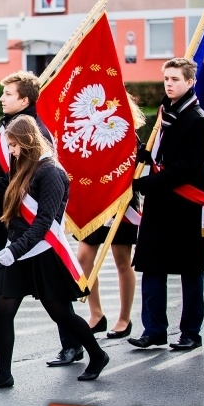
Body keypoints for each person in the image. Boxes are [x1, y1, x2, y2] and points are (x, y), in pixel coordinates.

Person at [0, 71, 83, 374]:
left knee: (53, 296)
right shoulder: (6, 127)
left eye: (8, 94)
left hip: (27, 230)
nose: (1, 98)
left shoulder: (36, 133)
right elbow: (1, 175)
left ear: (24, 99)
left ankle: (77, 344)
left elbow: (14, 183)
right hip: (5, 223)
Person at [0, 116, 110, 390]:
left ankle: (97, 354)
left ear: (27, 141)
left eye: (13, 146)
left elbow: (44, 223)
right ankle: (4, 374)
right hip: (18, 251)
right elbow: (3, 185)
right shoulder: (25, 166)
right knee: (3, 308)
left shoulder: (52, 173)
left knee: (61, 313)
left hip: (43, 252)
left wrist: (14, 250)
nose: (10, 151)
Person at [129, 58, 204, 351]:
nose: (169, 83)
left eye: (175, 79)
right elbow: (159, 154)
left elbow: (184, 170)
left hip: (185, 205)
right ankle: (154, 329)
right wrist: (145, 156)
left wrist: (143, 184)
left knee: (190, 271)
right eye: (166, 78)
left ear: (190, 82)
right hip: (159, 204)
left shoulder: (198, 120)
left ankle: (190, 331)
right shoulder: (166, 113)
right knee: (152, 267)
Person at [76, 95, 146, 339]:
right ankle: (96, 314)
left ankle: (124, 318)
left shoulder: (128, 134)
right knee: (83, 258)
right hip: (95, 203)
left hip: (120, 203)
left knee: (121, 261)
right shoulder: (90, 129)